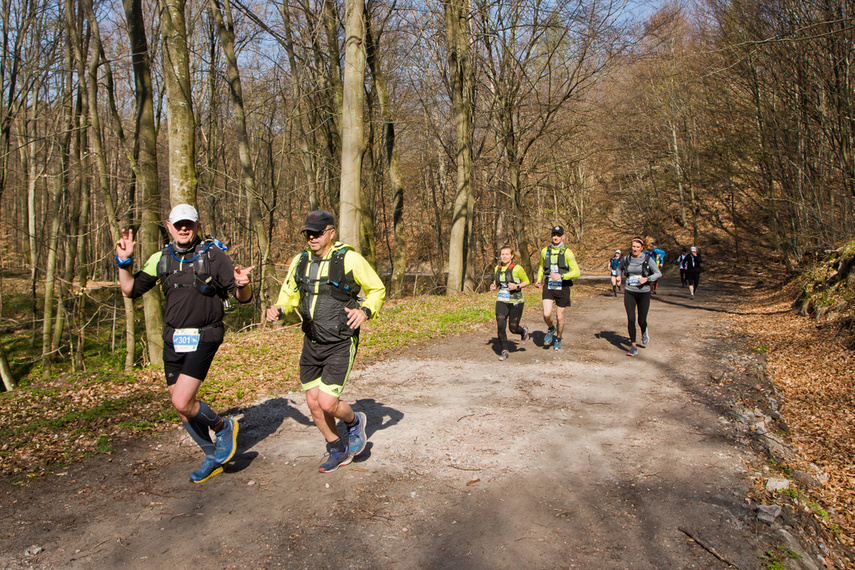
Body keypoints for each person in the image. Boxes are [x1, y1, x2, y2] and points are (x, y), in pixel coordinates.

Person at [117, 204, 254, 483]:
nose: (183, 229)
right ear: (169, 226)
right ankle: (212, 457)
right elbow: (129, 290)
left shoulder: (213, 256)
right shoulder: (161, 258)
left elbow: (243, 298)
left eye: (188, 224)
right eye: (178, 224)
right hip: (173, 338)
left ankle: (223, 426)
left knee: (182, 401)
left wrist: (242, 284)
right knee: (181, 408)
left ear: (197, 226)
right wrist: (123, 263)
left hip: (205, 335)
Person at [265, 211, 385, 473]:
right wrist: (280, 310)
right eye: (308, 233)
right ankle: (336, 448)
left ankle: (354, 422)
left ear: (331, 232)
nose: (311, 238)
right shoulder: (300, 261)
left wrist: (365, 311)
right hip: (312, 340)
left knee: (328, 402)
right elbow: (289, 296)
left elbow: (377, 289)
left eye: (317, 233)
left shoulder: (350, 259)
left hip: (340, 340)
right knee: (312, 402)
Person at [535, 225, 581, 351]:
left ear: (563, 237)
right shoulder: (545, 251)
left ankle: (558, 338)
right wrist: (539, 279)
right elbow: (541, 267)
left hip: (563, 287)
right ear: (551, 236)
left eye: (558, 235)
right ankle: (551, 328)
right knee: (546, 314)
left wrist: (562, 276)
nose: (556, 237)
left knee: (560, 317)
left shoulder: (567, 252)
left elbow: (577, 272)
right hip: (549, 286)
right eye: (554, 235)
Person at [620, 237, 662, 357]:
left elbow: (658, 273)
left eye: (638, 247)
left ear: (642, 248)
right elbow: (619, 268)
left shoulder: (647, 259)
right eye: (633, 246)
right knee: (631, 319)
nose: (635, 249)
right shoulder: (627, 258)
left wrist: (647, 279)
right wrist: (618, 276)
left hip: (644, 292)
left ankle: (644, 330)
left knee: (641, 320)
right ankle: (633, 346)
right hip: (630, 291)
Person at [489, 245, 530, 361]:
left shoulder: (517, 268)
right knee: (501, 324)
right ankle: (504, 350)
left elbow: (527, 281)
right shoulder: (497, 268)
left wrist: (516, 286)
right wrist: (493, 286)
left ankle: (523, 331)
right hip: (502, 300)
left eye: (507, 254)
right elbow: (496, 281)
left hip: (516, 300)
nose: (504, 256)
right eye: (502, 254)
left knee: (513, 328)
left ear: (512, 256)